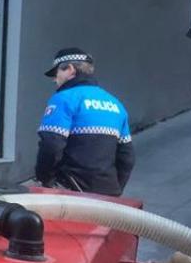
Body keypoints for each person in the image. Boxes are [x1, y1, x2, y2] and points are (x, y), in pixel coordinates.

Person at [36, 47, 134, 195]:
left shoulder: (64, 98)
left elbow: (51, 144)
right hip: (109, 192)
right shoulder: (115, 104)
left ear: (70, 69)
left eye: (56, 73)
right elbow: (127, 157)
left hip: (71, 190)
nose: (55, 79)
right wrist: (115, 189)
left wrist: (45, 180)